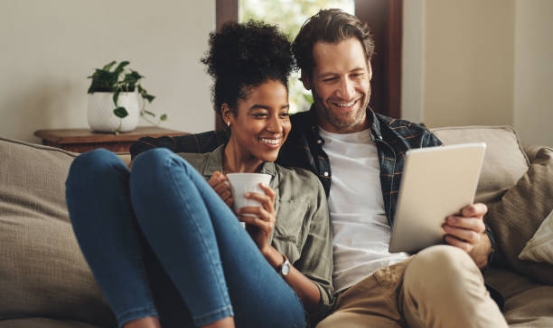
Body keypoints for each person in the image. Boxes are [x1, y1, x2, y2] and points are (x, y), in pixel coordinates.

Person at [129, 9, 508, 328]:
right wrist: (202, 191)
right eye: (330, 79)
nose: (346, 91)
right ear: (307, 80)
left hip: (423, 273)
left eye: (356, 74)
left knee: (446, 263)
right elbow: (152, 152)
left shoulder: (412, 139)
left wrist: (476, 241)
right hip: (349, 302)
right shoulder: (281, 138)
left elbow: (484, 244)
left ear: (370, 69)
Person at [66, 21, 333, 328]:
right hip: (183, 303)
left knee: (158, 164)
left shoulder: (305, 187)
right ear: (228, 114)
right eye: (261, 114)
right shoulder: (182, 172)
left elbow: (322, 300)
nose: (277, 127)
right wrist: (199, 207)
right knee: (93, 166)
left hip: (273, 312)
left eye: (284, 113)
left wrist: (265, 251)